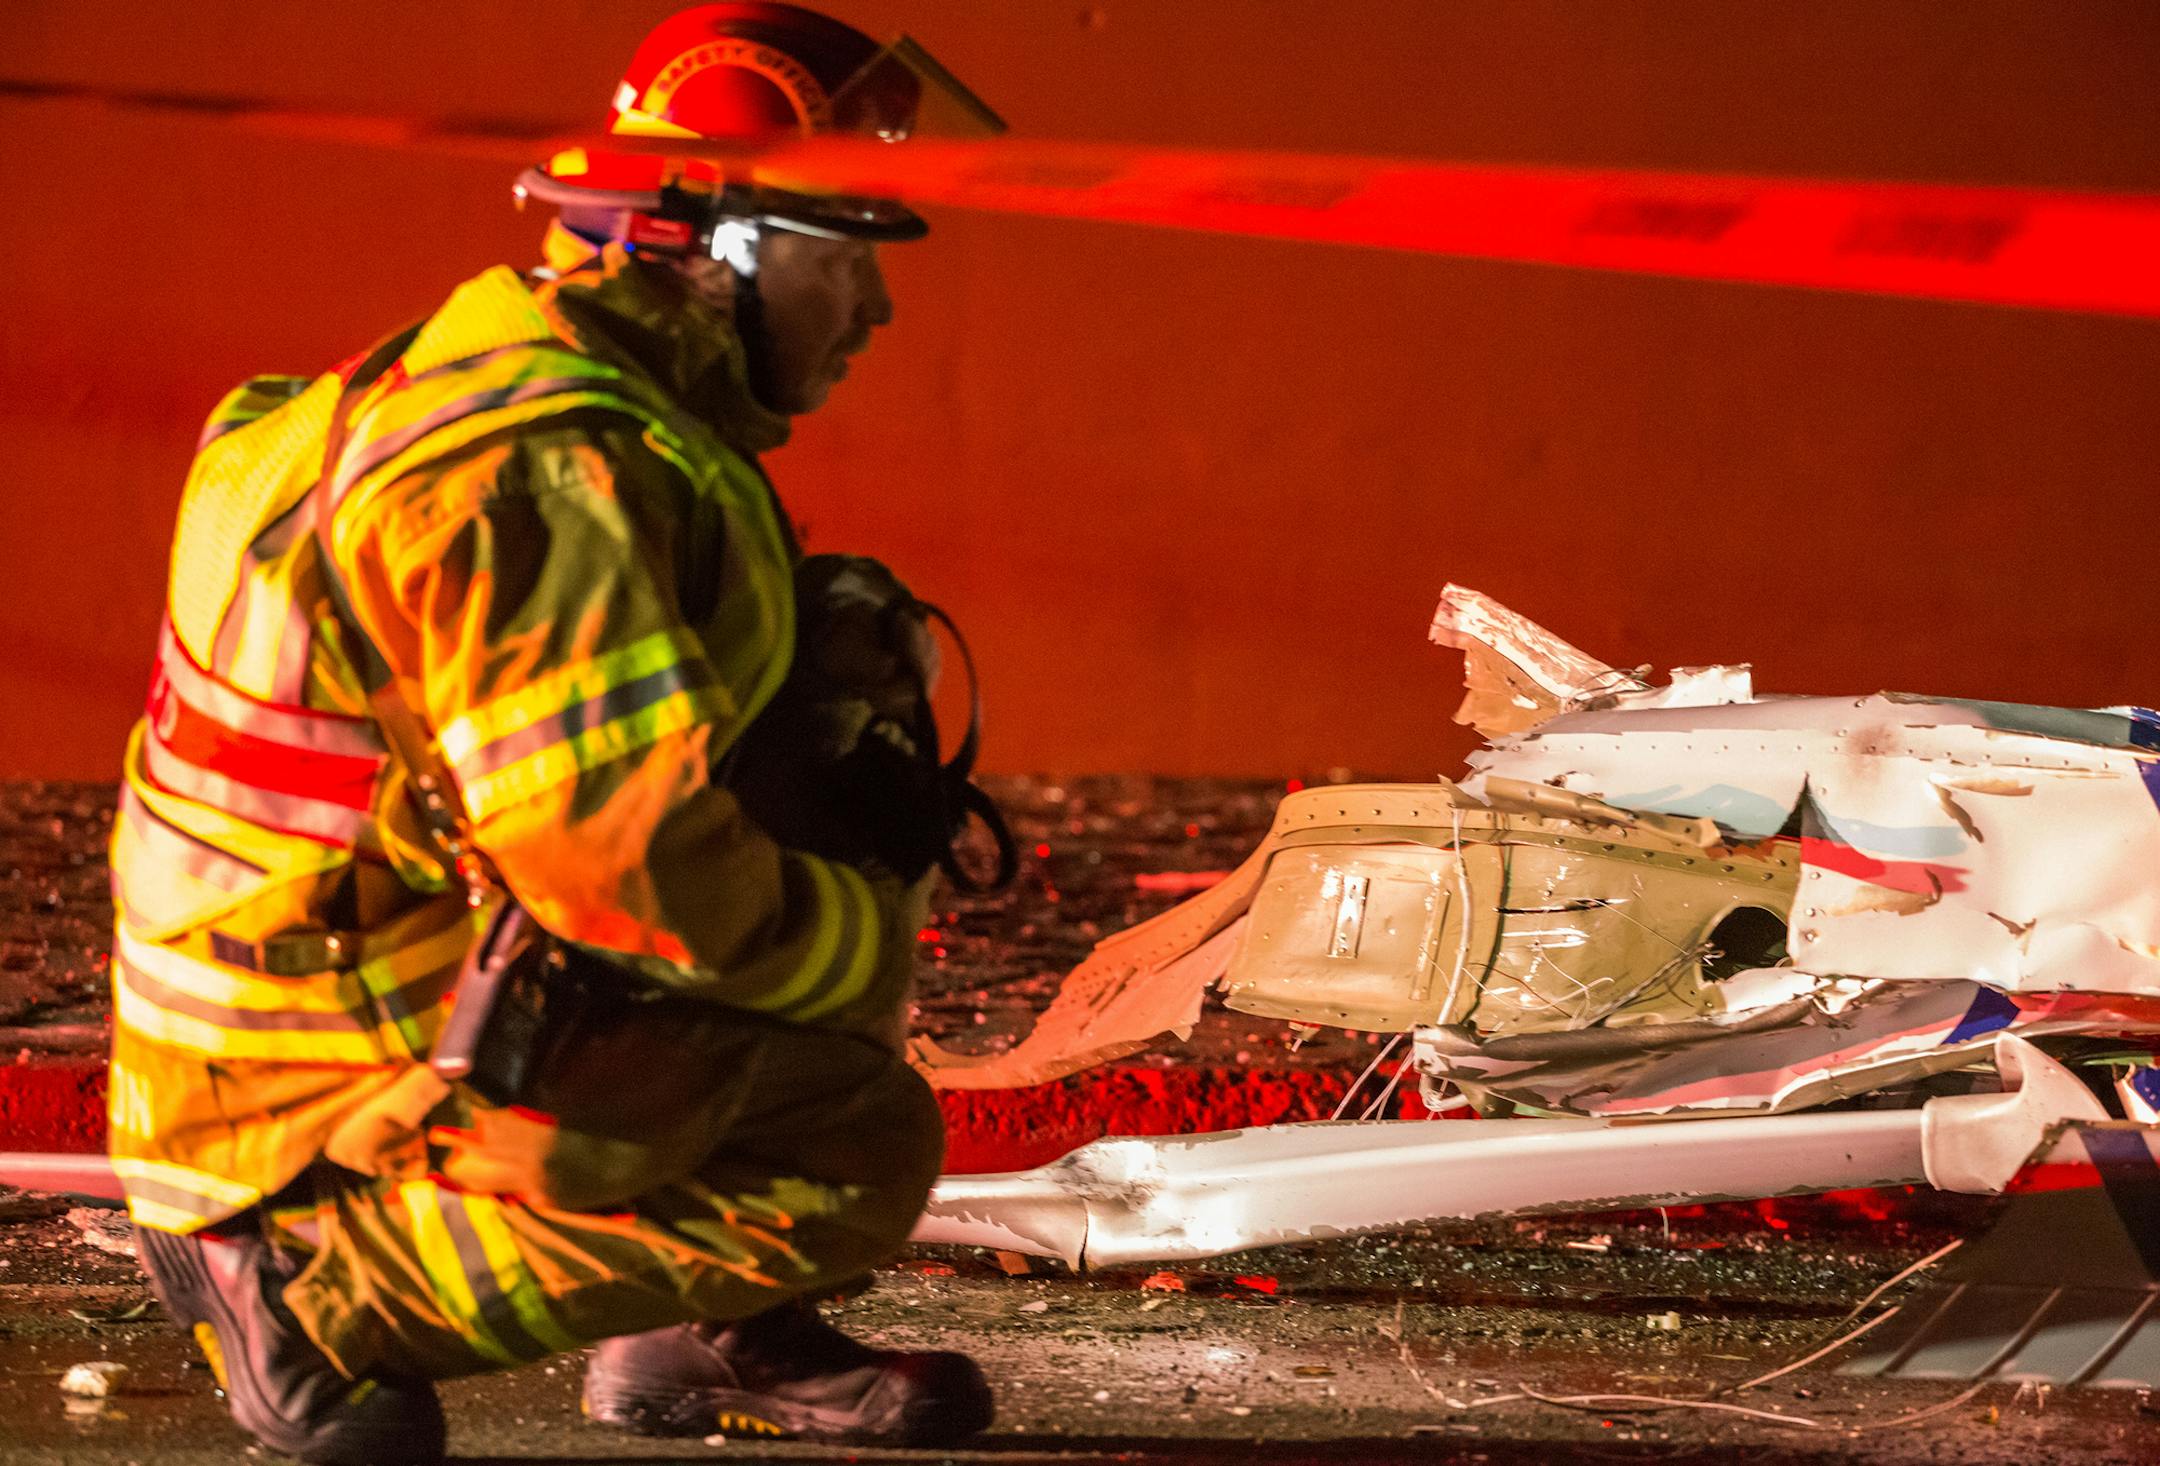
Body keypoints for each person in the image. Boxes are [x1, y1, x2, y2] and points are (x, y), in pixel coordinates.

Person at [107, 6, 1004, 1461]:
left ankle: (701, 1327)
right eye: (847, 257)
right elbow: (626, 872)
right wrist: (862, 938)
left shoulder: (522, 387)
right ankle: (308, 1294)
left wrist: (810, 671)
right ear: (720, 250)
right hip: (307, 1101)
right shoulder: (539, 473)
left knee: (837, 677)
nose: (879, 307)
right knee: (856, 1148)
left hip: (331, 1008)